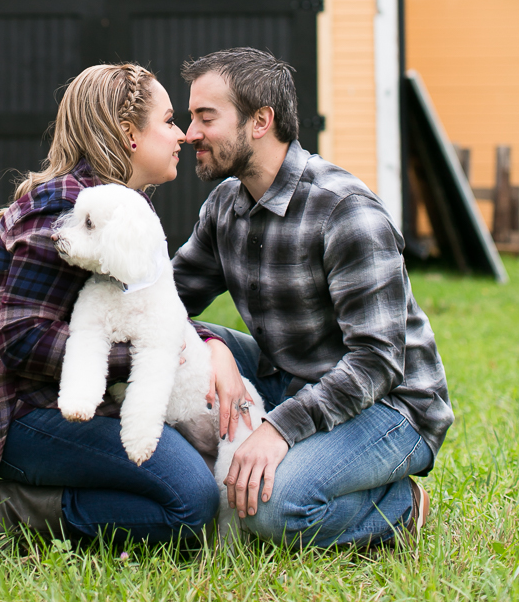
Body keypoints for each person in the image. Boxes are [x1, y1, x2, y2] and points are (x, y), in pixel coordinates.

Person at [172, 46, 454, 549]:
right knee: (171, 349)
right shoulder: (224, 207)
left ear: (261, 121)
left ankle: (401, 504)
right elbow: (171, 302)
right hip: (289, 375)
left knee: (269, 508)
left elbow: (376, 362)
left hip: (390, 404)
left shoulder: (345, 212)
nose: (190, 133)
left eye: (205, 117)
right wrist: (211, 346)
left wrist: (277, 431)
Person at [0, 63, 220, 544]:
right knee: (193, 503)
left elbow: (150, 306)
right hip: (22, 417)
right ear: (128, 134)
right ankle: (11, 512)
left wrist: (206, 344)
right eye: (168, 120)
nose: (181, 135)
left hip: (77, 398)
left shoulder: (125, 204)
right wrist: (140, 359)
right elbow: (22, 340)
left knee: (234, 347)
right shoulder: (66, 210)